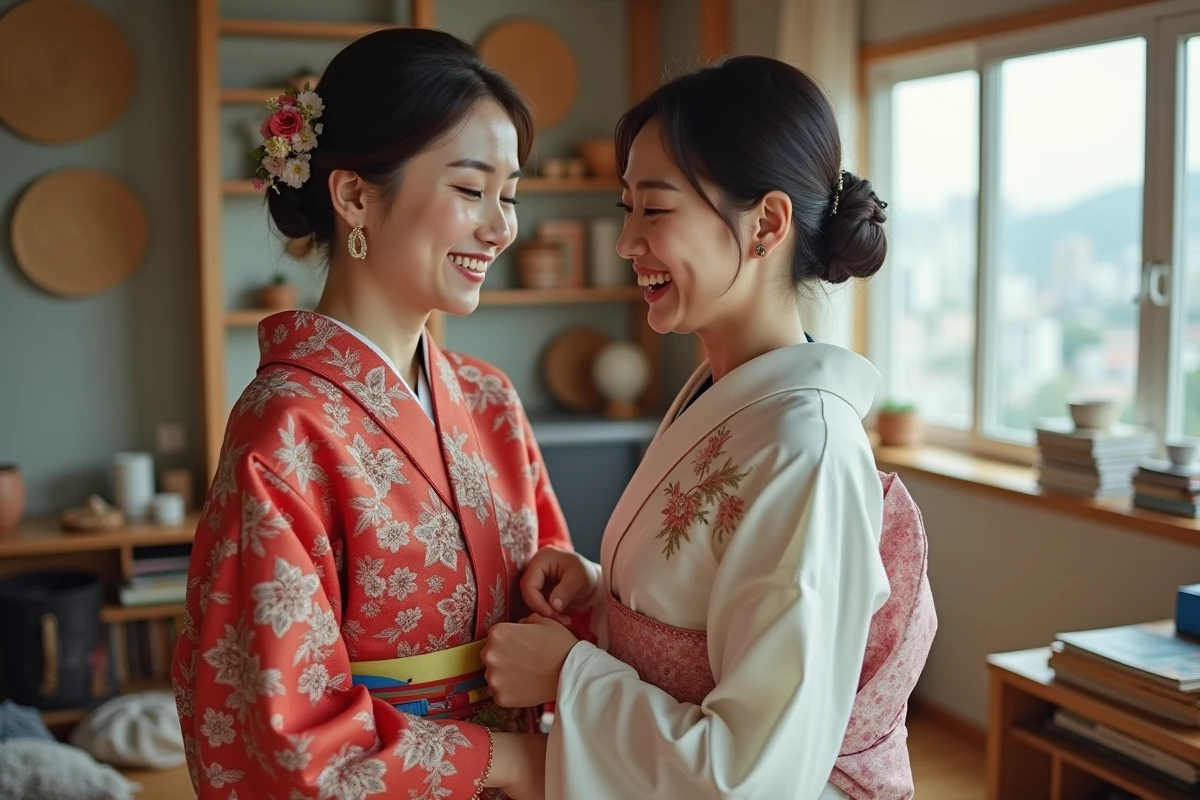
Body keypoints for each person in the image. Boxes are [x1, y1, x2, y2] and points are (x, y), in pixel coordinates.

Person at [480, 56, 937, 799]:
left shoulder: (805, 448)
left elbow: (755, 775)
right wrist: (602, 597)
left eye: (654, 210)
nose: (628, 242)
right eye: (626, 208)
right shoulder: (721, 392)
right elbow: (712, 617)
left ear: (767, 223)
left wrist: (567, 674)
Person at [172, 28, 572, 800]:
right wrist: (508, 763)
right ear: (355, 195)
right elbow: (274, 721)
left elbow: (555, 598)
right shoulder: (284, 427)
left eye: (509, 196)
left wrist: (577, 595)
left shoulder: (488, 397)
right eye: (469, 190)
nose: (501, 228)